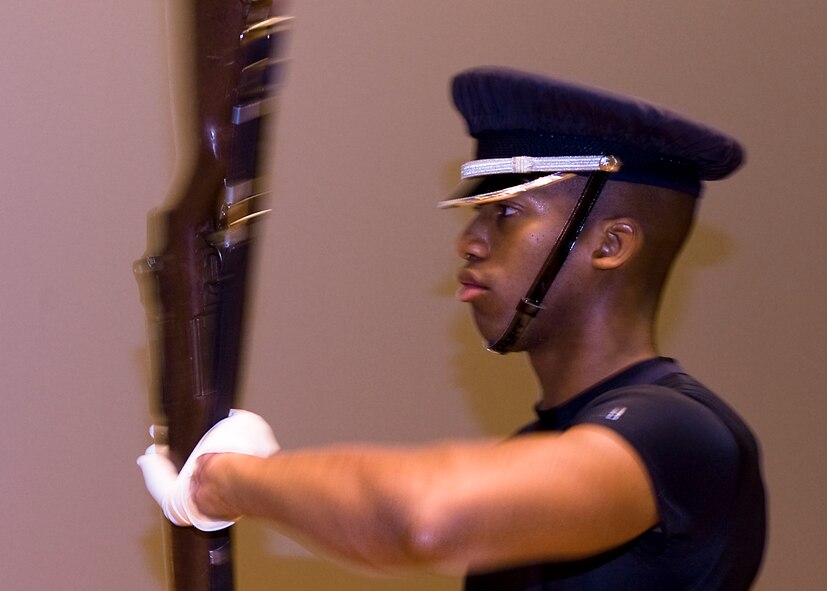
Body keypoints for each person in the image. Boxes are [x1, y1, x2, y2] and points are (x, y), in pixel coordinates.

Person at [138, 66, 766, 590]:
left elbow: (426, 516)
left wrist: (227, 481)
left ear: (610, 244)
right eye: (474, 215)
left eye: (507, 213)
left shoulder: (677, 430)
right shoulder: (540, 444)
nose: (469, 241)